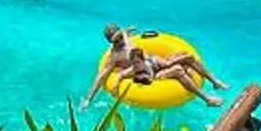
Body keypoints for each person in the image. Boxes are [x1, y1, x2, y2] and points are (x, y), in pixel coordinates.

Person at [88, 25, 224, 104]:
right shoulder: (114, 57)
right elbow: (101, 77)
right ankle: (207, 100)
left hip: (155, 62)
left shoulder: (126, 39)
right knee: (177, 69)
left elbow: (124, 32)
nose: (120, 41)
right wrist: (89, 99)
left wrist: (128, 30)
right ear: (111, 42)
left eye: (120, 37)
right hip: (151, 74)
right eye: (116, 40)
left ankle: (214, 81)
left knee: (188, 56)